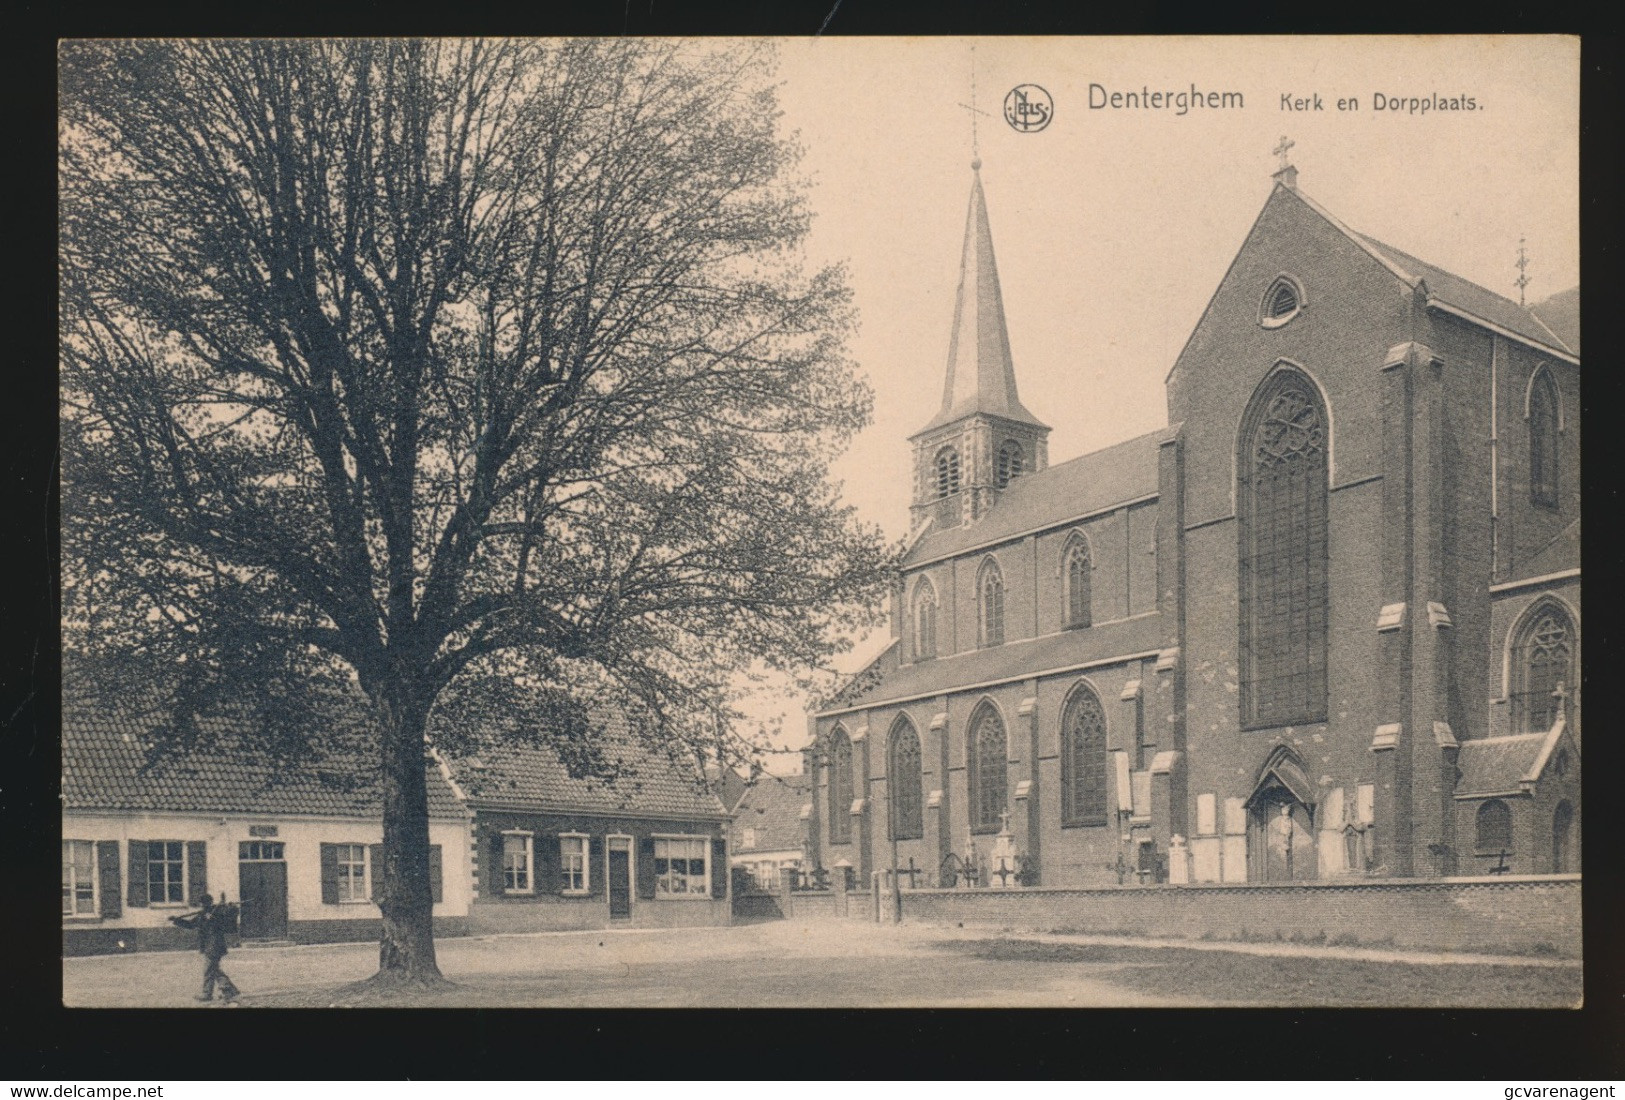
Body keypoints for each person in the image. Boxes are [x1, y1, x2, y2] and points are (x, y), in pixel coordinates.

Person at [169, 893, 240, 1003]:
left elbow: (227, 921)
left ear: (210, 903)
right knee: (214, 969)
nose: (202, 905)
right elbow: (191, 925)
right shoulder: (202, 915)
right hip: (208, 945)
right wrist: (177, 920)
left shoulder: (218, 912)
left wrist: (221, 913)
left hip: (215, 945)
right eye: (202, 903)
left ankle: (207, 994)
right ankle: (229, 990)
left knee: (209, 969)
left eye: (205, 903)